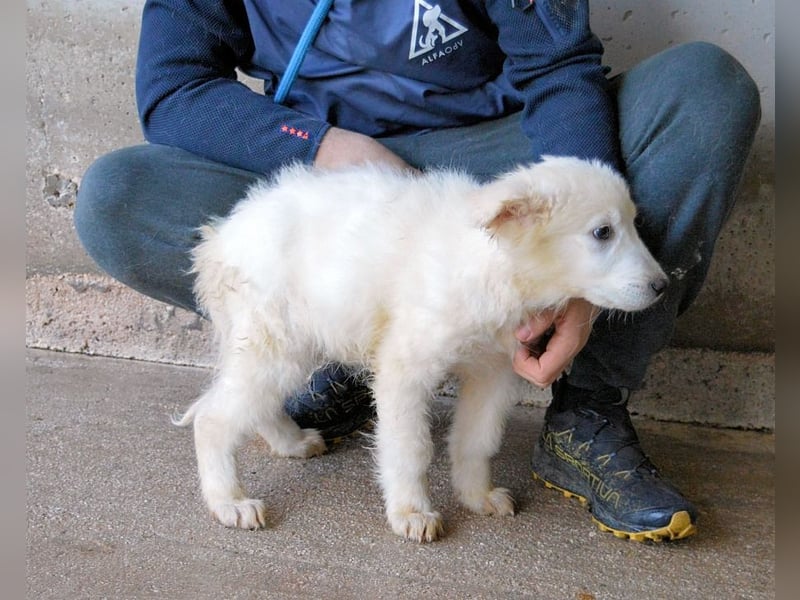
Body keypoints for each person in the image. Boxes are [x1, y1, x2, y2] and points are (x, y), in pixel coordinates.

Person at [74, 0, 760, 542]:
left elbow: (556, 68)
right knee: (117, 196)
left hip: (487, 168)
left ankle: (589, 405)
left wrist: (584, 263)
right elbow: (172, 91)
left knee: (704, 92)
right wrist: (319, 144)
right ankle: (349, 345)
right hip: (332, 191)